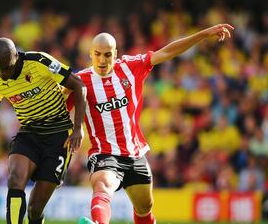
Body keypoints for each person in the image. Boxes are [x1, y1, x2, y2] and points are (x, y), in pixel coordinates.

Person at [68, 24, 234, 224]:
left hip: (135, 154)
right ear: (90, 54)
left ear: (116, 54)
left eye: (107, 55)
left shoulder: (130, 67)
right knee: (103, 185)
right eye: (97, 54)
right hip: (104, 153)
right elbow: (57, 109)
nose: (102, 60)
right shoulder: (79, 82)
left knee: (145, 208)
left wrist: (203, 34)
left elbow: (168, 51)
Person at [0, 37, 86, 224]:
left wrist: (78, 128)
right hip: (29, 133)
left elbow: (78, 85)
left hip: (58, 135)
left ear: (16, 57)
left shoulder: (39, 62)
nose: (2, 74)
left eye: (6, 68)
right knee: (15, 178)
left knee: (35, 210)